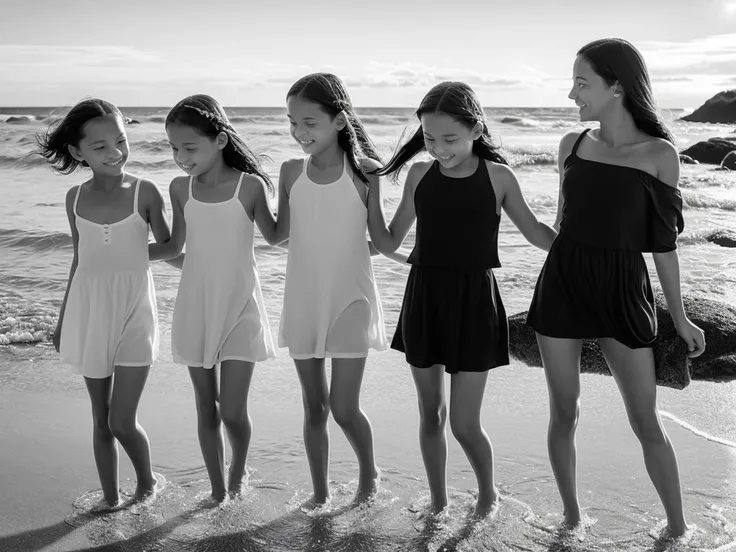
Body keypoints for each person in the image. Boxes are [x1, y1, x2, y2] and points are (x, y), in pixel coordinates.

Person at [526, 38, 705, 537]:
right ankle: (572, 519)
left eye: (582, 83)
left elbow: (663, 246)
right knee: (563, 410)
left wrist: (681, 315)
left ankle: (677, 527)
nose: (572, 94)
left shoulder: (659, 155)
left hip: (623, 290)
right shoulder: (572, 145)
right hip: (563, 285)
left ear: (617, 87)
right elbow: (561, 227)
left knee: (645, 418)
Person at [368, 81, 557, 517]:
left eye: (449, 139)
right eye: (429, 139)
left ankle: (487, 494)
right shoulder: (418, 175)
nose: (438, 149)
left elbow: (537, 234)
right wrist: (372, 190)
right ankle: (439, 501)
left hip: (475, 304)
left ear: (476, 128)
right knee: (431, 415)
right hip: (425, 299)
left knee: (464, 423)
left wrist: (587, 249)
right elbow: (387, 240)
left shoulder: (499, 177)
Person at [37, 98, 169, 511]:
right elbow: (79, 260)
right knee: (99, 418)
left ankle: (147, 484)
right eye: (101, 147)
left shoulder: (145, 192)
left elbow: (170, 248)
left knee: (120, 419)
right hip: (90, 313)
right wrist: (62, 321)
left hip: (135, 313)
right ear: (78, 153)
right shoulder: (74, 199)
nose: (115, 152)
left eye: (121, 140)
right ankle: (110, 499)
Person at [149, 94, 278, 503]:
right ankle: (218, 490)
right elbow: (173, 250)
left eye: (189, 147)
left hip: (242, 306)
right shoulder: (179, 188)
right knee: (206, 406)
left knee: (232, 411)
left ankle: (237, 476)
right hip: (196, 307)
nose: (180, 157)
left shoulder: (250, 186)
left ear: (220, 140)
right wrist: (116, 253)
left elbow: (279, 236)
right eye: (173, 148)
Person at [277, 73, 391, 508]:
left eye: (309, 122)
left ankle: (368, 477)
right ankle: (321, 492)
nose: (298, 132)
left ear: (340, 120)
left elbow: (380, 242)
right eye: (292, 122)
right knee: (313, 409)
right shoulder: (290, 172)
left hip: (351, 299)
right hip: (303, 300)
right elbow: (278, 235)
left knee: (343, 407)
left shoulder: (365, 174)